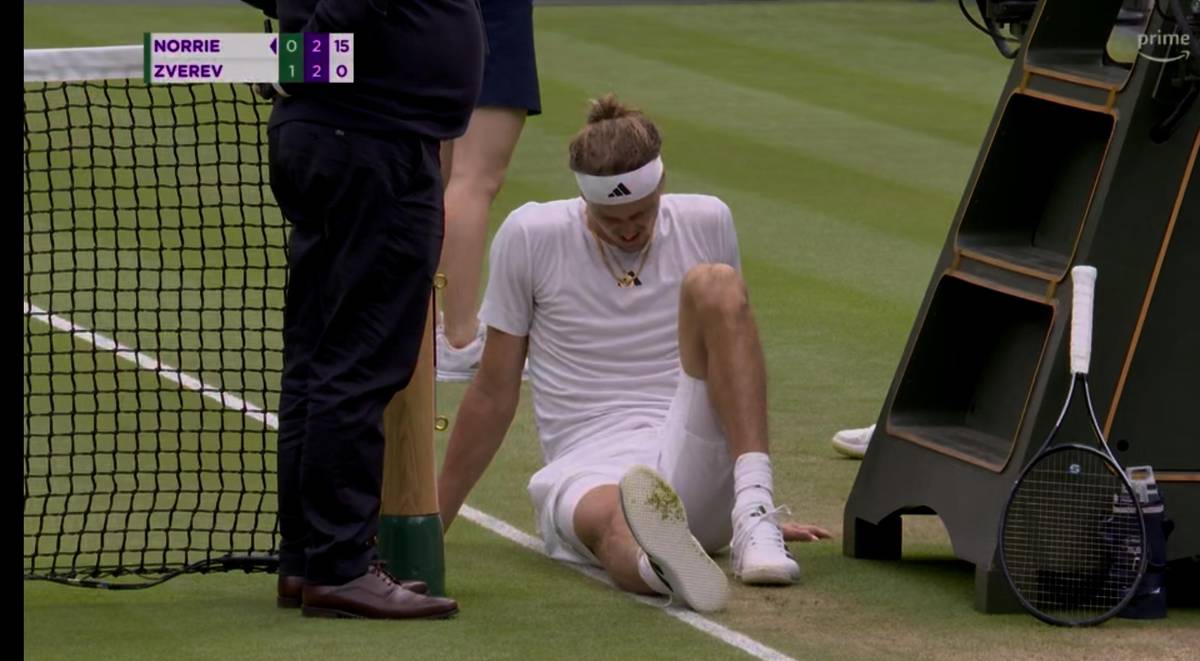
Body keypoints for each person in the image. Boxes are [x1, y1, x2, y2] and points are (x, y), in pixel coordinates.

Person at [436, 95, 832, 613]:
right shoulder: (531, 235)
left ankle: (754, 513)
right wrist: (432, 520)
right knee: (616, 523)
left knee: (717, 285)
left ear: (662, 185)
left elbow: (732, 362)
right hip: (587, 463)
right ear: (585, 199)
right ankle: (662, 568)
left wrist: (743, 493)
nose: (627, 229)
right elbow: (492, 392)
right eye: (610, 216)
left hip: (692, 449)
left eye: (640, 213)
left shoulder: (708, 219)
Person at [266, 0, 484, 619]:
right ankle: (338, 567)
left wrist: (300, 52)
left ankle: (310, 560)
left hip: (338, 132)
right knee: (358, 360)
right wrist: (315, 45)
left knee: (319, 359)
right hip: (369, 138)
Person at [436, 0, 542, 382]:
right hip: (487, 13)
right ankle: (457, 340)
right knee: (475, 178)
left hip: (438, 20)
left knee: (447, 174)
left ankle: (431, 331)